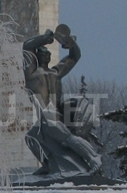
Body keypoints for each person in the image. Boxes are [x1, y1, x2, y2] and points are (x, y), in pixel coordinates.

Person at [22, 26, 101, 178]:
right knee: (31, 137)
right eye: (45, 52)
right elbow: (75, 56)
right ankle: (48, 165)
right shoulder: (53, 73)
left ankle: (93, 158)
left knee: (68, 139)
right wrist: (69, 43)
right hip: (48, 117)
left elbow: (27, 46)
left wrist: (54, 40)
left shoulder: (38, 75)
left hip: (50, 116)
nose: (48, 54)